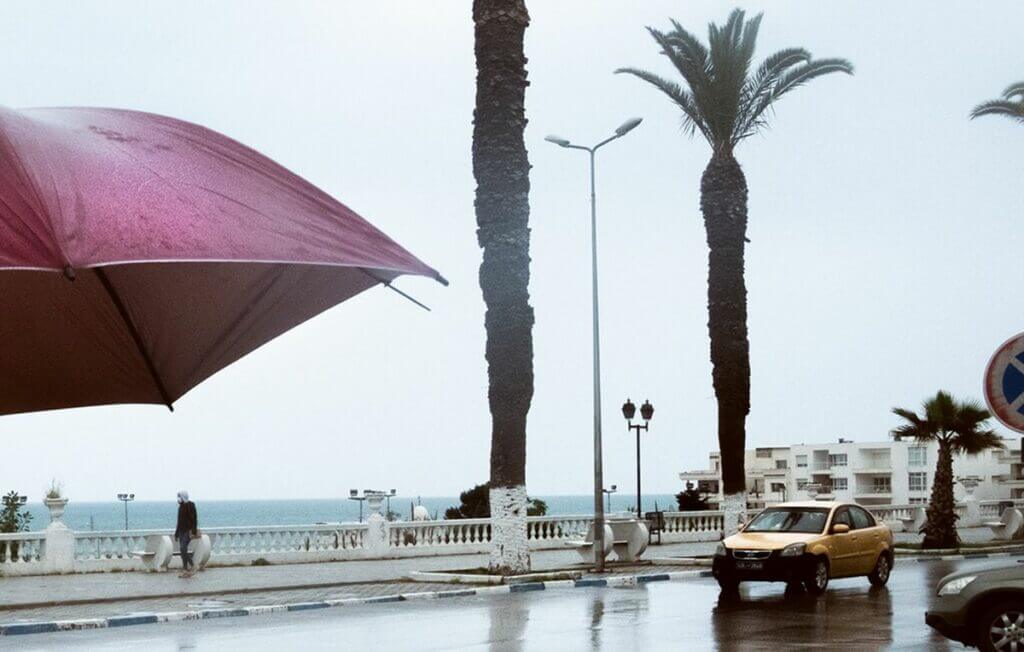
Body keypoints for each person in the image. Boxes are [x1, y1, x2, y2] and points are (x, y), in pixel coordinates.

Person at [174, 490, 198, 578]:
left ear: (183, 497)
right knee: (182, 551)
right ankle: (185, 569)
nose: (178, 499)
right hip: (181, 531)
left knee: (183, 548)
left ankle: (192, 565)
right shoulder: (180, 507)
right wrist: (176, 533)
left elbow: (194, 518)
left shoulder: (190, 505)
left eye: (179, 497)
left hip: (188, 531)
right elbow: (179, 522)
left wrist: (194, 530)